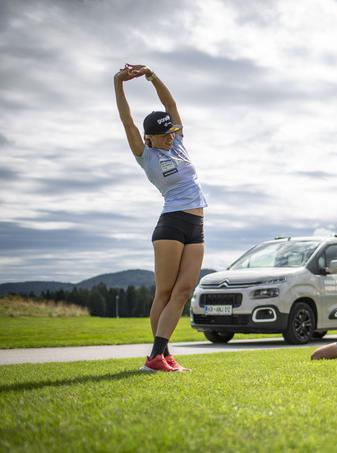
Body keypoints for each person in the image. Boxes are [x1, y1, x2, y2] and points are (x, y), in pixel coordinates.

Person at [114, 64, 208, 372]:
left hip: (196, 225)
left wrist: (152, 77)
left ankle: (161, 356)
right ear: (149, 137)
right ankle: (157, 355)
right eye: (164, 135)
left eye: (172, 132)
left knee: (183, 291)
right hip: (171, 224)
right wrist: (119, 83)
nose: (171, 137)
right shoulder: (145, 154)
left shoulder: (178, 144)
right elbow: (126, 120)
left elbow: (170, 105)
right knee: (165, 292)